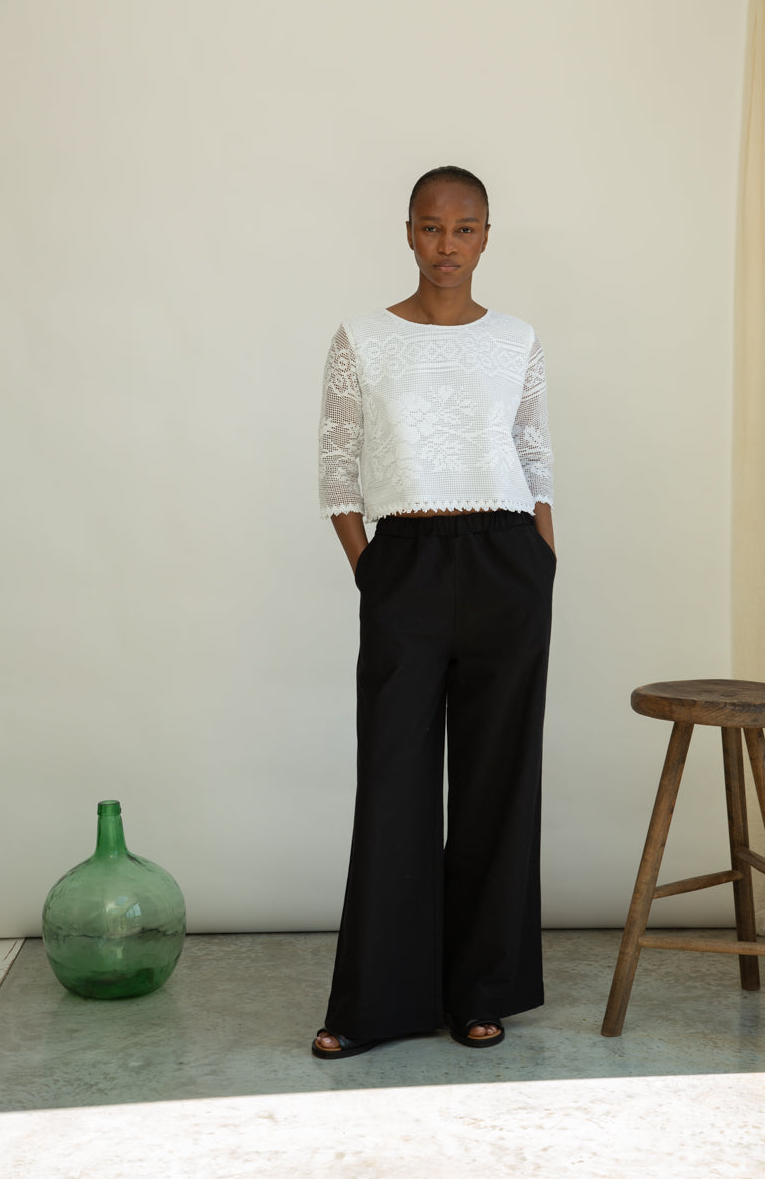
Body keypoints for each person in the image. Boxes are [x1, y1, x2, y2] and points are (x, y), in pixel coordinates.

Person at [314, 165, 555, 1058]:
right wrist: (373, 572)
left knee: (498, 780)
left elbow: (535, 455)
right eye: (430, 226)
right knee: (393, 781)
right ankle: (374, 1004)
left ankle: (482, 991)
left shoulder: (517, 339)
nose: (446, 245)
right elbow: (338, 472)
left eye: (464, 228)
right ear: (407, 231)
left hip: (506, 560)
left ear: (486, 236)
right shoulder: (363, 337)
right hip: (407, 562)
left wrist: (542, 561)